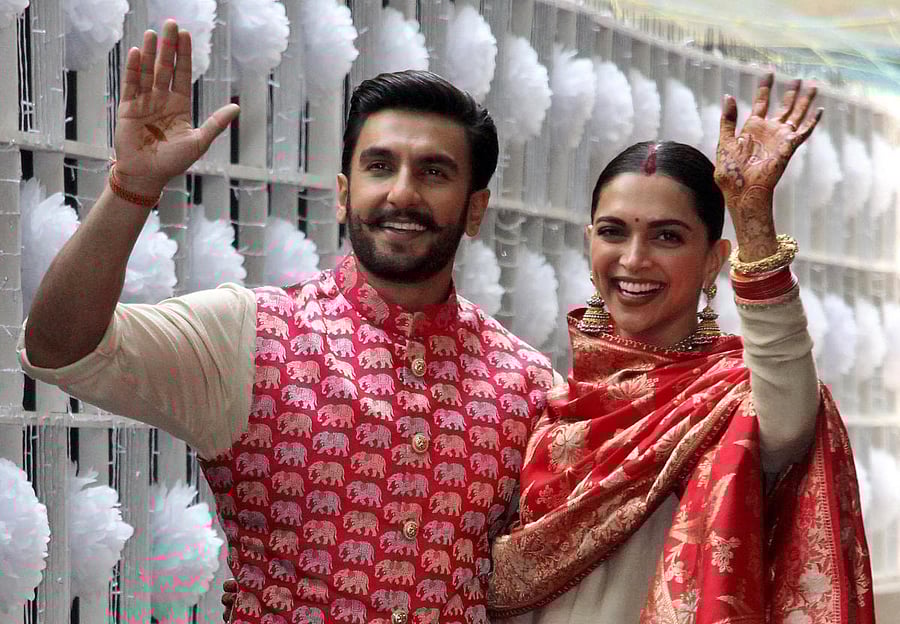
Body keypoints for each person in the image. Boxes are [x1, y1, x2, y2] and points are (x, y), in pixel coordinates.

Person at [18, 21, 555, 624]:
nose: (403, 194)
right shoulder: (252, 335)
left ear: (475, 208)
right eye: (381, 166)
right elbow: (59, 348)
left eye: (434, 172)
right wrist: (131, 188)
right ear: (344, 193)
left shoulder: (529, 385)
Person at [485, 77, 874, 623]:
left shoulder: (729, 399)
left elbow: (787, 417)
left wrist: (754, 220)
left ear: (714, 260)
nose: (634, 258)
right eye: (613, 232)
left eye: (668, 236)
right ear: (588, 242)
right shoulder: (549, 404)